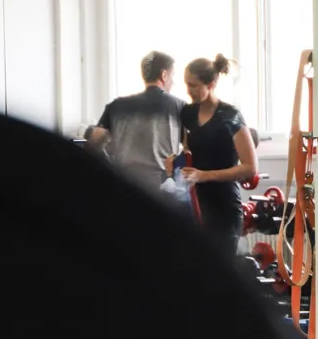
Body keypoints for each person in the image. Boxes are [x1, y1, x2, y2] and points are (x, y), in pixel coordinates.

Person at [176, 55, 258, 257]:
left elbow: (250, 168)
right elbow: (187, 151)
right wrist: (176, 161)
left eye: (194, 86)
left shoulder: (231, 116)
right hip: (194, 206)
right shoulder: (186, 114)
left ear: (211, 84)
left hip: (224, 209)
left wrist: (204, 175)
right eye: (187, 85)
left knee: (219, 279)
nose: (189, 91)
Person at [86, 51, 184, 193]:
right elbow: (190, 148)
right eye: (172, 75)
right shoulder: (178, 106)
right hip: (161, 188)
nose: (173, 81)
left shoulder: (117, 106)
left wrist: (111, 167)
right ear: (164, 75)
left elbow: (94, 142)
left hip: (125, 184)